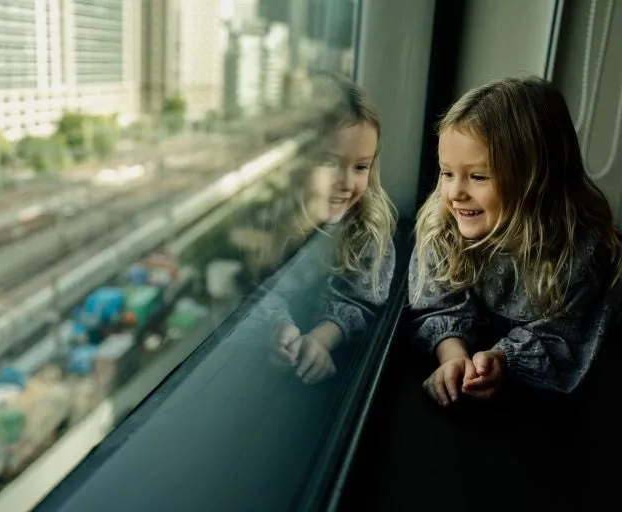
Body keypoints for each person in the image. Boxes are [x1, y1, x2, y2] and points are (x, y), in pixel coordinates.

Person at [410, 76, 622, 406]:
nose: (454, 193)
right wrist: (453, 356)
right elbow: (437, 302)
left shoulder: (583, 249)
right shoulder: (443, 225)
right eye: (446, 172)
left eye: (478, 176)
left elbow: (564, 335)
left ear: (537, 180)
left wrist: (502, 358)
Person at [259, 73, 397, 384]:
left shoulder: (368, 227)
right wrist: (279, 328)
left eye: (361, 167)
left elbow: (360, 299)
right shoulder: (267, 222)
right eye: (331, 163)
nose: (347, 184)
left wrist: (320, 340)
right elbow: (255, 293)